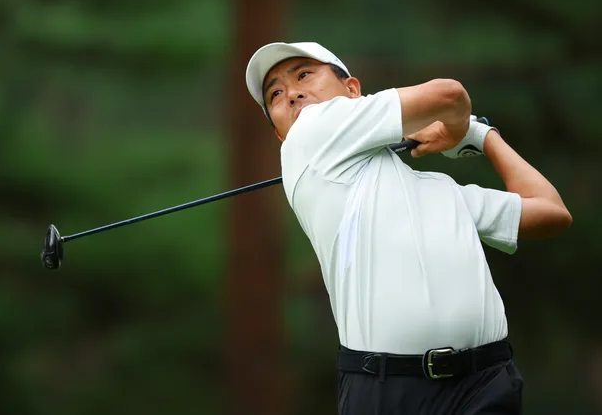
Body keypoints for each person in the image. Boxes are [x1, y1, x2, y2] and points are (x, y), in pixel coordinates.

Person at [245, 42, 572, 415]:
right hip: (390, 389)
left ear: (352, 89)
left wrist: (482, 136)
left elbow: (551, 212)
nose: (291, 94)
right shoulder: (308, 133)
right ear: (281, 135)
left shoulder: (440, 190)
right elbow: (450, 96)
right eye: (275, 95)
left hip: (485, 383)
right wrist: (458, 131)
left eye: (304, 75)